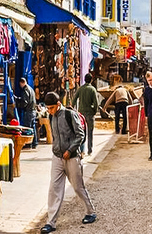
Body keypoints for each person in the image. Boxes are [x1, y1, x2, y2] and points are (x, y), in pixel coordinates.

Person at [40, 92, 97, 234]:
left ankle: (90, 212)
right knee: (54, 188)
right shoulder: (51, 116)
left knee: (78, 187)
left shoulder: (70, 115)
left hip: (71, 157)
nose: (49, 111)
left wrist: (70, 150)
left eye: (52, 108)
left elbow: (80, 134)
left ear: (59, 104)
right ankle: (51, 222)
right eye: (48, 108)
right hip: (57, 157)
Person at [73, 74, 101, 155]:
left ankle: (82, 150)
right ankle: (90, 150)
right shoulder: (92, 89)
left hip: (81, 114)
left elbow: (74, 100)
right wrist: (94, 112)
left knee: (82, 132)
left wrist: (73, 110)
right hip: (89, 113)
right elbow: (96, 103)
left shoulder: (80, 89)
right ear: (91, 80)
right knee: (90, 133)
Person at [16, 78, 39, 149]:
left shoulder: (25, 90)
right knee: (32, 128)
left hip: (28, 112)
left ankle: (28, 144)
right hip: (33, 111)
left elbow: (25, 102)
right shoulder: (31, 89)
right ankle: (34, 143)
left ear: (21, 83)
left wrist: (18, 105)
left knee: (27, 128)